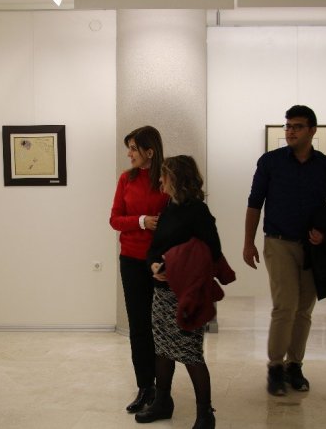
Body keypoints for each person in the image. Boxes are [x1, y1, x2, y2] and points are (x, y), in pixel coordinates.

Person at [243, 105, 326, 396]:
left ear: (312, 130)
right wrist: (248, 242)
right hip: (278, 243)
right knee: (285, 305)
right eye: (288, 126)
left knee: (304, 309)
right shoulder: (270, 162)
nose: (290, 131)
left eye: (297, 126)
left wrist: (324, 232)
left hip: (312, 248)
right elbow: (254, 203)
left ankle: (294, 365)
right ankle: (276, 367)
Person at [137, 155, 221, 429]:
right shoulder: (169, 207)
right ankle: (163, 402)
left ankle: (205, 414)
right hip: (162, 291)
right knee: (162, 349)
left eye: (164, 176)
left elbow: (212, 251)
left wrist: (174, 263)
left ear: (176, 179)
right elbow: (154, 248)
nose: (160, 180)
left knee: (190, 353)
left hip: (187, 294)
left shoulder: (198, 211)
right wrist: (154, 265)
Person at [110, 126, 169, 413]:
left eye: (133, 148)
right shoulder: (126, 179)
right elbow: (115, 220)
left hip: (162, 263)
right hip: (131, 261)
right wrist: (142, 221)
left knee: (162, 326)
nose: (129, 153)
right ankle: (145, 386)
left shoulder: (166, 178)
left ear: (150, 151)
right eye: (129, 148)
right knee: (139, 326)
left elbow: (178, 218)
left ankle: (163, 390)